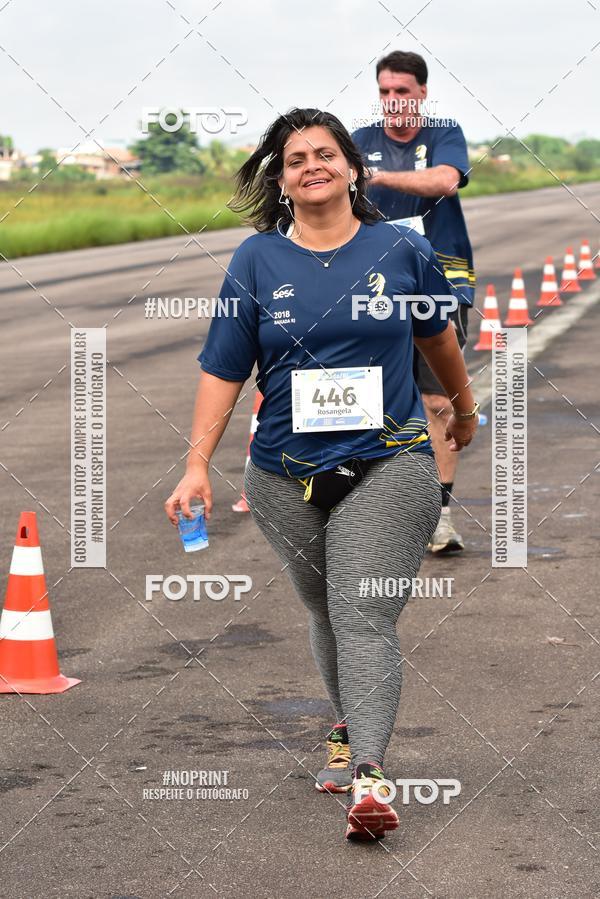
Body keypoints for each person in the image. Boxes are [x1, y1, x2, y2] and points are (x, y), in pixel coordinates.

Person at [164, 107, 478, 842]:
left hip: (391, 460)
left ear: (352, 166)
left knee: (362, 609)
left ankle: (369, 772)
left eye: (325, 152)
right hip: (281, 475)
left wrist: (462, 414)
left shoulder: (401, 251)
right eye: (295, 156)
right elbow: (223, 369)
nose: (311, 164)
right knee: (323, 608)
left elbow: (440, 340)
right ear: (281, 178)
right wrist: (195, 466)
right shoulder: (255, 260)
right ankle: (345, 725)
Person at [352, 50, 476, 554]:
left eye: (402, 91)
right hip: (372, 284)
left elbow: (444, 180)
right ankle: (373, 512)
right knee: (365, 398)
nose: (392, 101)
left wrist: (376, 177)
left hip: (440, 279)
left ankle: (439, 517)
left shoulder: (444, 132)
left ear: (422, 93)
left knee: (437, 398)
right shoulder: (358, 142)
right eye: (384, 91)